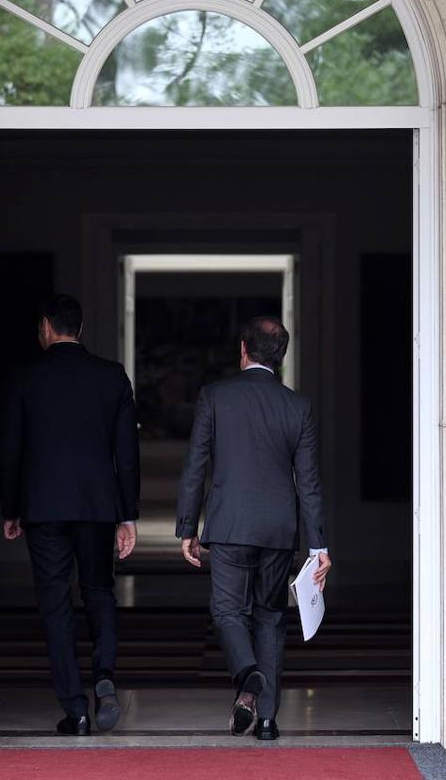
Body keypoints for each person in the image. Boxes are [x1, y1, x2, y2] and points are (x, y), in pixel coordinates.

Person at [176, 316, 331, 741]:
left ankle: (247, 675)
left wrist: (188, 527)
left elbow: (196, 466)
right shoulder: (297, 407)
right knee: (270, 618)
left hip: (228, 526)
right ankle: (266, 721)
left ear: (243, 351)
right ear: (280, 358)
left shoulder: (215, 397)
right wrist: (319, 548)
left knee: (227, 611)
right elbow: (310, 483)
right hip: (278, 531)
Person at [0, 294, 140, 736]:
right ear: (79, 329)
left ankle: (76, 710)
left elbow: (12, 450)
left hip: (43, 509)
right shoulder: (111, 377)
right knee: (99, 591)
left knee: (56, 605)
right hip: (97, 507)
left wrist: (11, 508)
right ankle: (104, 676)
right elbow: (128, 454)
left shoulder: (27, 378)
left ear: (46, 327)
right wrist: (128, 515)